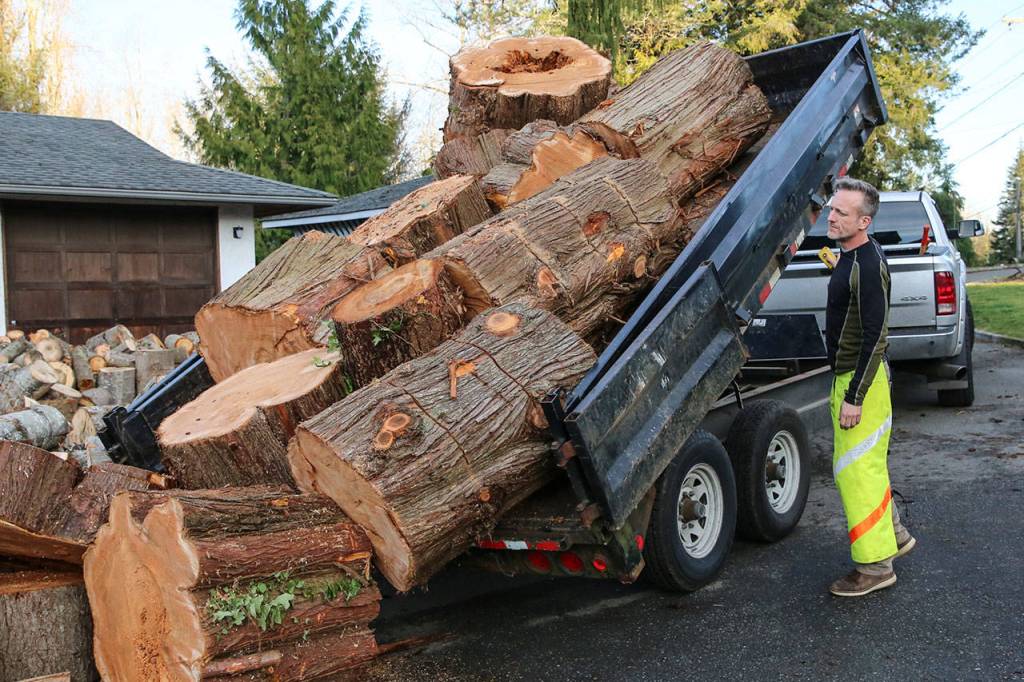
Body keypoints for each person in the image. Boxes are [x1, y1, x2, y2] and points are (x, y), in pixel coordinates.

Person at [823, 177, 915, 598]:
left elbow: (876, 333)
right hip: (849, 376)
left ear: (864, 220)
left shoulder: (867, 263)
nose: (832, 215)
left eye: (842, 212)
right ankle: (893, 535)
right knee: (865, 468)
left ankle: (875, 567)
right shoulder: (848, 257)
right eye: (832, 208)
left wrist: (854, 397)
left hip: (863, 381)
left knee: (856, 473)